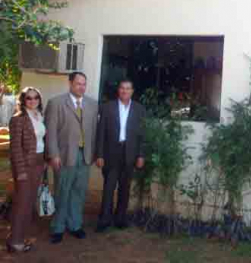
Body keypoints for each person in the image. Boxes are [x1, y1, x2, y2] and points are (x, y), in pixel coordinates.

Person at [45, 72, 99, 244]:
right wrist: (53, 154)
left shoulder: (92, 104)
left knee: (79, 192)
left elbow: (94, 131)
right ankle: (58, 227)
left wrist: (94, 154)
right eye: (78, 83)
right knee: (62, 191)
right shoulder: (56, 103)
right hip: (64, 155)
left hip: (85, 155)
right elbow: (51, 131)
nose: (81, 87)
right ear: (70, 83)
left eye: (84, 84)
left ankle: (75, 225)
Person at [95, 79, 146, 232]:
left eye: (128, 88)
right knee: (109, 187)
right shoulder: (107, 107)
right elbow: (101, 132)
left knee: (125, 188)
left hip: (130, 153)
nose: (125, 91)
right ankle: (104, 220)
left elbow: (143, 135)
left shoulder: (139, 109)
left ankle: (120, 219)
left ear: (132, 91)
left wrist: (141, 155)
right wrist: (99, 154)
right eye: (122, 88)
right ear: (118, 90)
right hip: (111, 153)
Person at [6, 87, 46, 253]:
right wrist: (21, 171)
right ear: (23, 100)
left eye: (36, 97)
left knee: (29, 203)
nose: (32, 101)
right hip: (24, 165)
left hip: (38, 161)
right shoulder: (18, 119)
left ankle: (21, 237)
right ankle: (14, 241)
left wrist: (43, 161)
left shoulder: (38, 116)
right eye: (28, 98)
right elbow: (15, 148)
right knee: (21, 203)